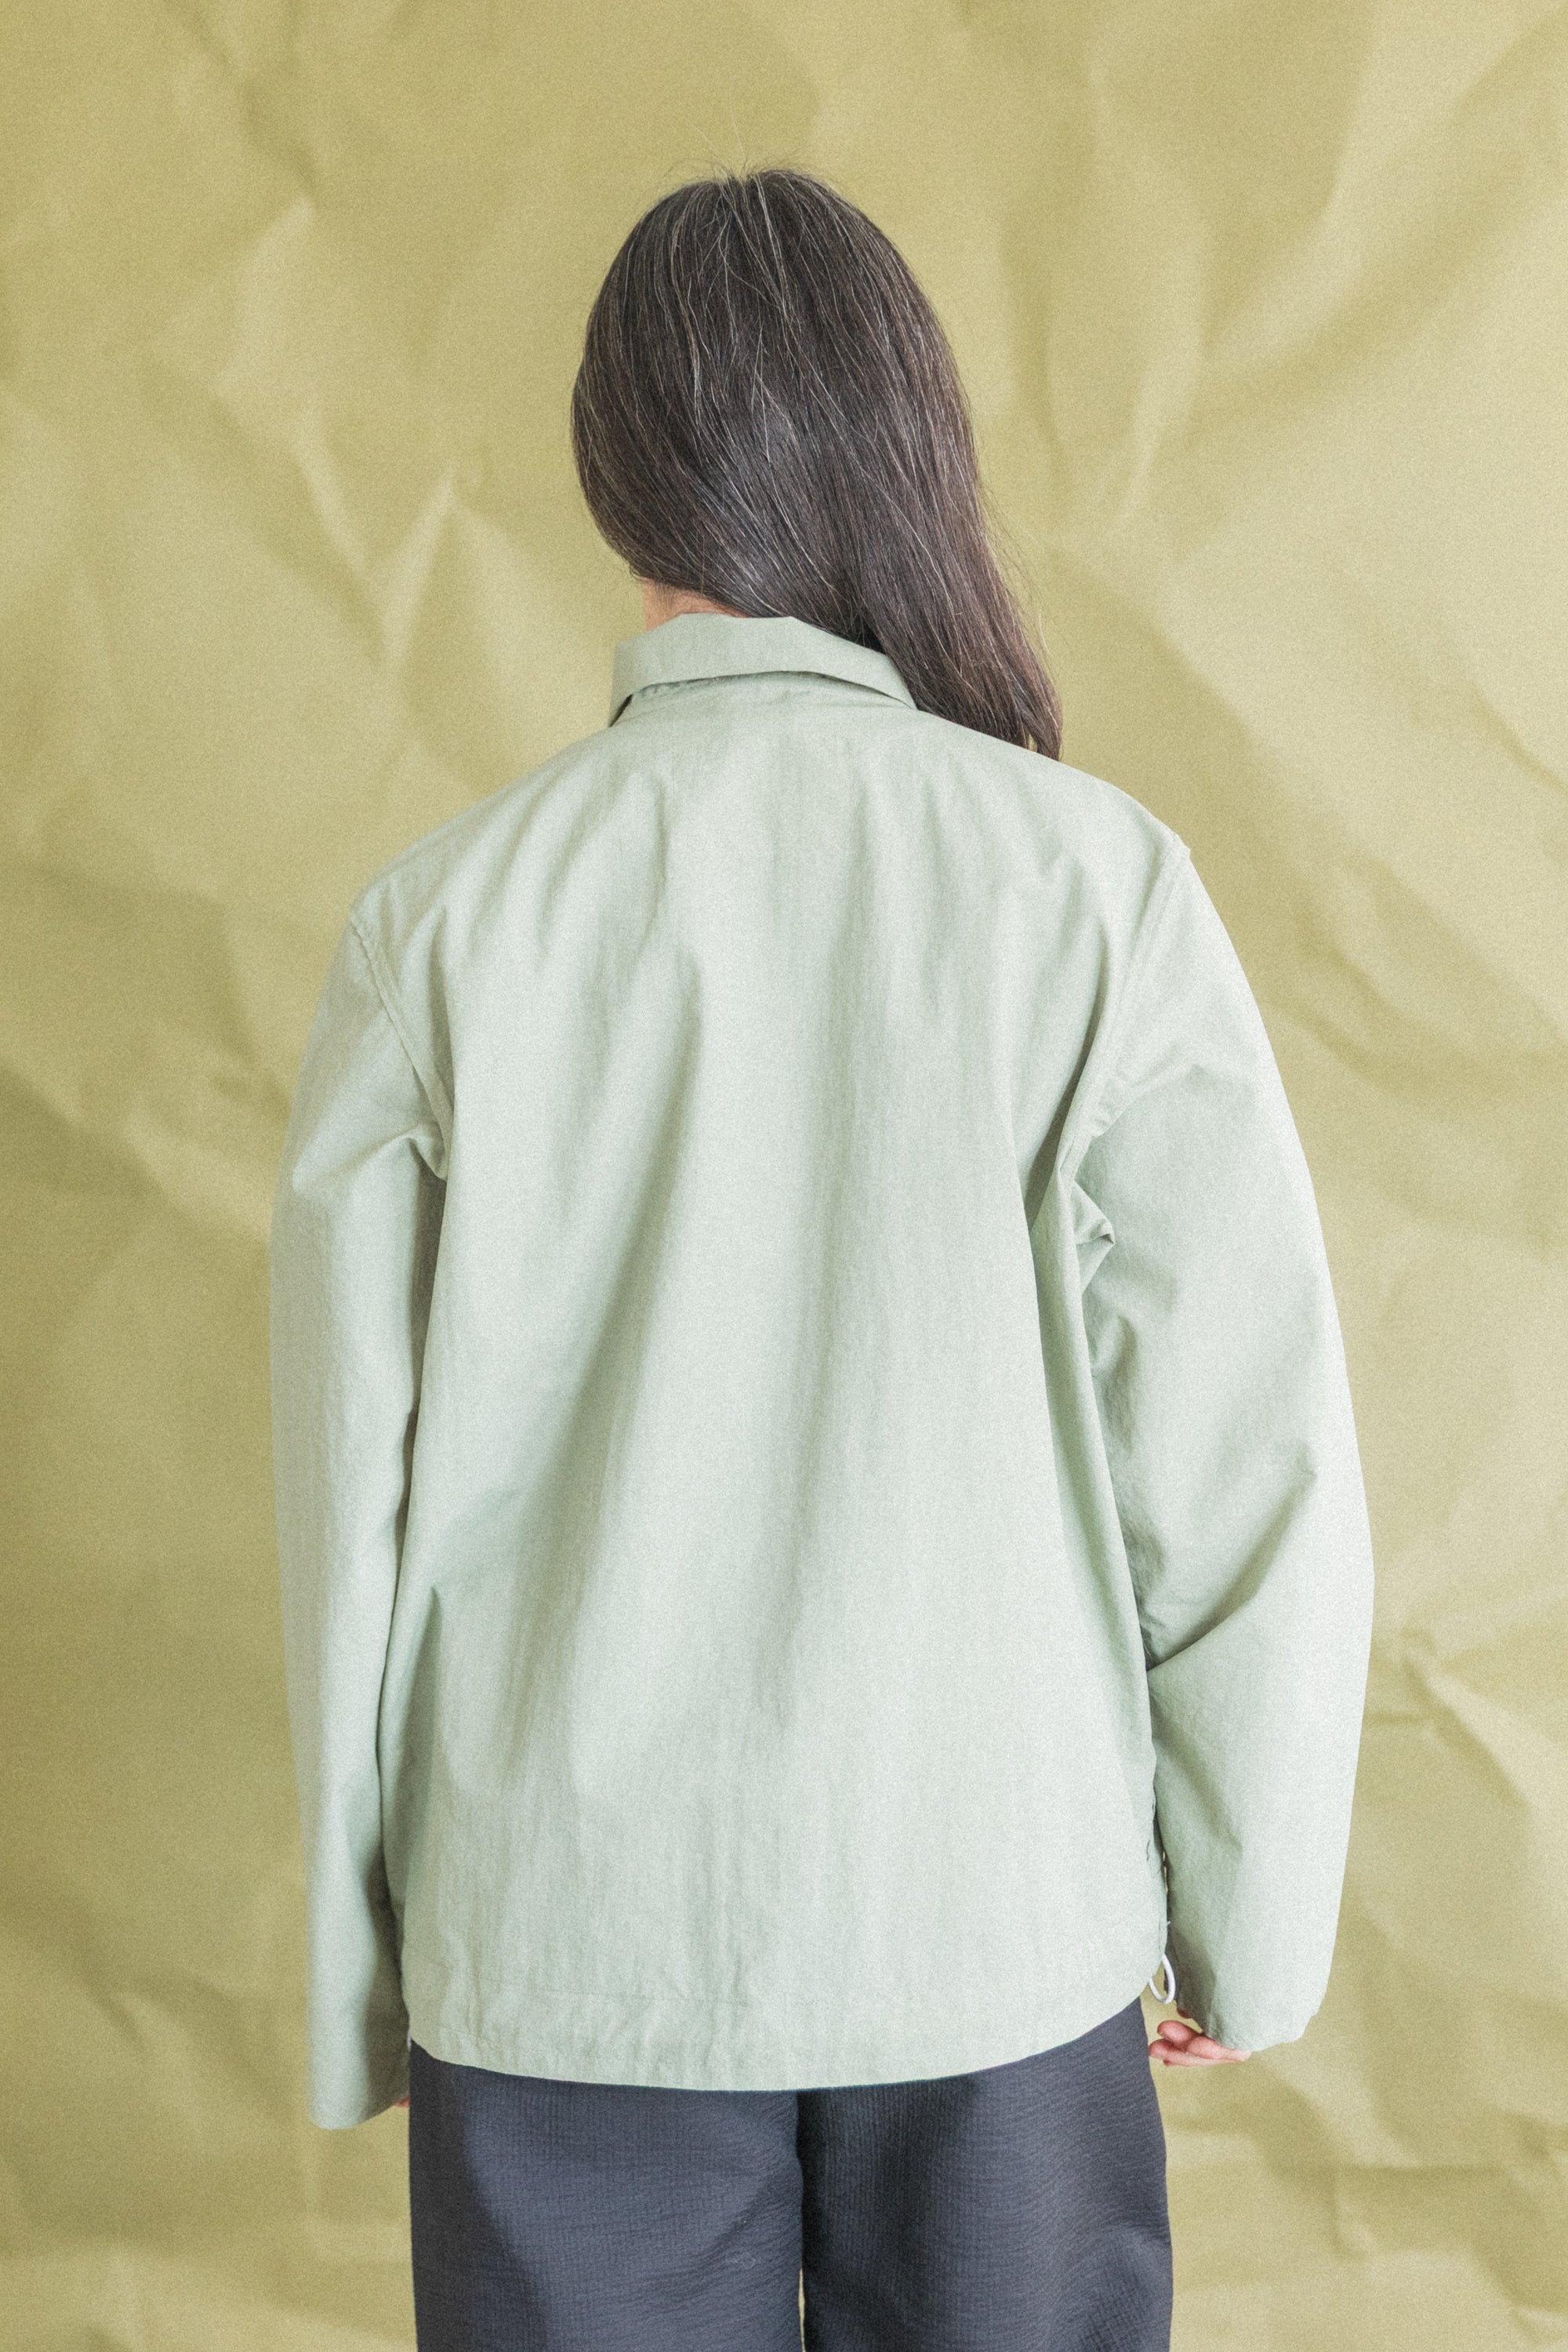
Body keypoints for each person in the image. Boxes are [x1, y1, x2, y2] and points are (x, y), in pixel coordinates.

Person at [269, 168, 1375, 2350]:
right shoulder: (1093, 888)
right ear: (902, 442)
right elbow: (1247, 1458)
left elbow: (348, 1515)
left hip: (565, 1948)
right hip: (994, 1918)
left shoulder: (443, 926)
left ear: (612, 469)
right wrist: (1248, 1917)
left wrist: (362, 1975)